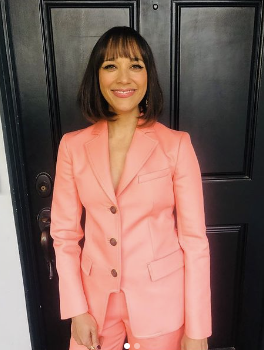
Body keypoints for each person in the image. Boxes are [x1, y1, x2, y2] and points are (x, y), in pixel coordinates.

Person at [50, 26, 212, 350]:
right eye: (111, 66)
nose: (124, 78)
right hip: (94, 307)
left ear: (147, 75)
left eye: (135, 66)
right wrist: (76, 310)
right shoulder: (73, 147)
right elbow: (65, 236)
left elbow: (195, 242)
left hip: (160, 304)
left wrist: (197, 330)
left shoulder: (176, 146)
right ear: (97, 76)